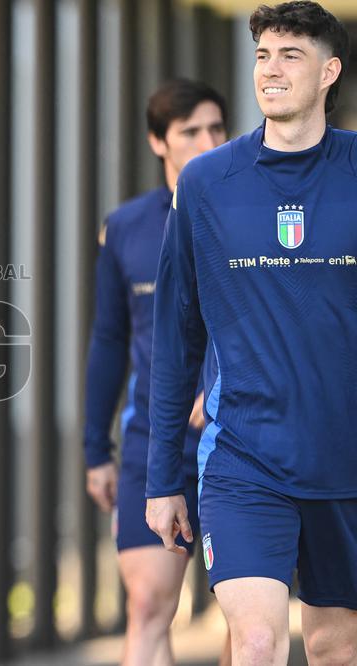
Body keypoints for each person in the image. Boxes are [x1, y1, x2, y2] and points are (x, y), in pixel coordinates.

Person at [146, 2, 357, 663]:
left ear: (329, 71)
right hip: (245, 459)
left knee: (331, 645)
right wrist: (162, 478)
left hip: (346, 459)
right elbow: (176, 332)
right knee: (259, 639)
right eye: (263, 54)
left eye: (290, 55)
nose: (270, 69)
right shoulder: (207, 183)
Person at [84, 79, 228, 665]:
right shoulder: (126, 227)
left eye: (217, 129)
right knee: (146, 607)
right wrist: (97, 447)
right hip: (153, 441)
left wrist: (218, 388)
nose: (207, 141)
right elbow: (109, 339)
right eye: (189, 131)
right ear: (157, 142)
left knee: (244, 623)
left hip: (239, 438)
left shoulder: (245, 215)